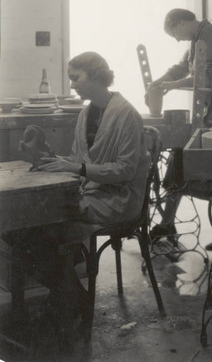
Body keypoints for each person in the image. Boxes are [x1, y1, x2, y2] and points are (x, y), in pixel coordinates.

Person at [8, 52, 150, 328]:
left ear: (97, 76)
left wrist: (77, 169)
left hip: (118, 199)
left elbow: (126, 171)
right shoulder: (87, 112)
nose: (72, 85)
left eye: (76, 78)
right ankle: (71, 296)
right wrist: (50, 158)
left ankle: (68, 298)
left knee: (37, 230)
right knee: (25, 229)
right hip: (91, 193)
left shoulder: (126, 114)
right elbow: (78, 158)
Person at [147, 9, 212, 249]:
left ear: (183, 22)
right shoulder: (197, 39)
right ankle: (168, 221)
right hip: (211, 111)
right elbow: (183, 66)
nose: (176, 39)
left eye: (174, 33)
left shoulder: (211, 34)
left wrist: (173, 85)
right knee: (179, 159)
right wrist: (161, 81)